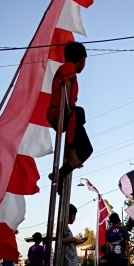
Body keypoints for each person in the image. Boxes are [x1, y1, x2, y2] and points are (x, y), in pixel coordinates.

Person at [46, 41, 93, 194]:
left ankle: (59, 174)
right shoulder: (68, 67)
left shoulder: (68, 69)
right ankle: (70, 149)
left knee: (86, 150)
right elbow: (66, 85)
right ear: (80, 59)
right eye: (83, 62)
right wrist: (68, 108)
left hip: (66, 113)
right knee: (78, 112)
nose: (83, 66)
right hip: (58, 112)